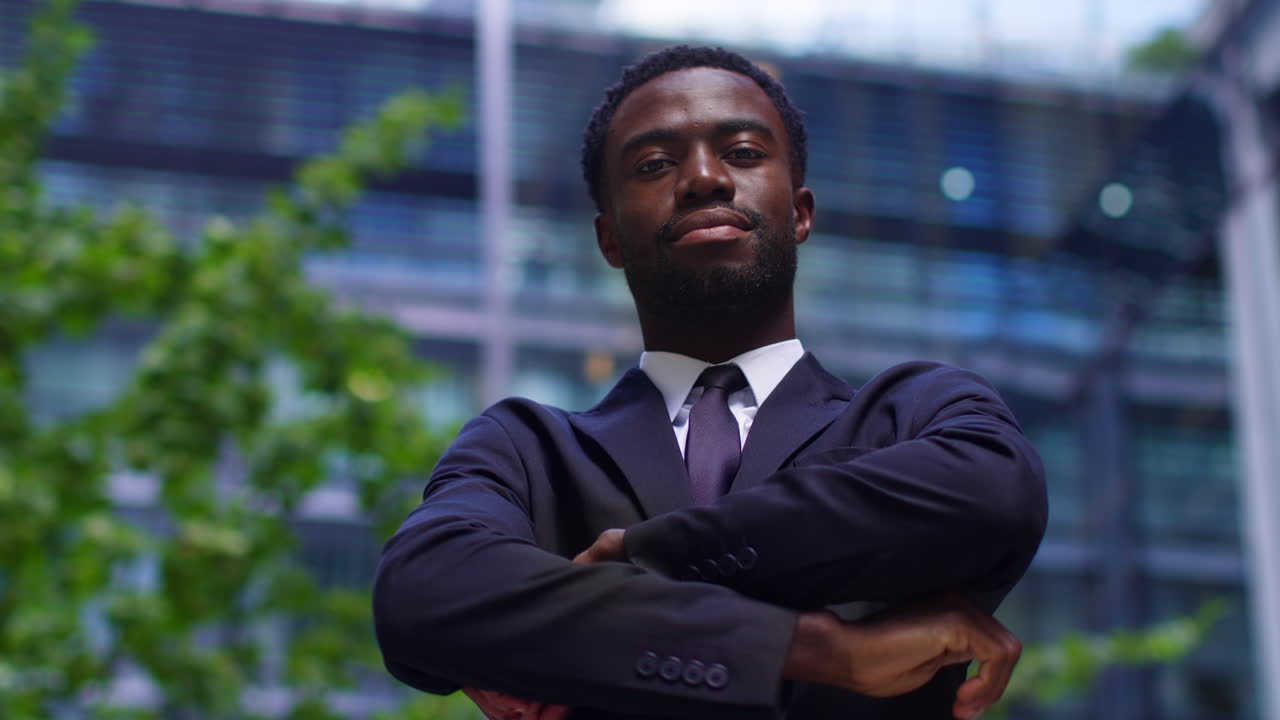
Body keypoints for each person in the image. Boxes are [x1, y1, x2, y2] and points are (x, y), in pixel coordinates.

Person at [373, 45, 1048, 720]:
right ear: (608, 238)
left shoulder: (916, 411)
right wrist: (813, 649)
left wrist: (646, 560)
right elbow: (423, 592)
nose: (702, 178)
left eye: (745, 153)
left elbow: (996, 495)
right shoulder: (527, 448)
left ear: (800, 212)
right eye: (654, 165)